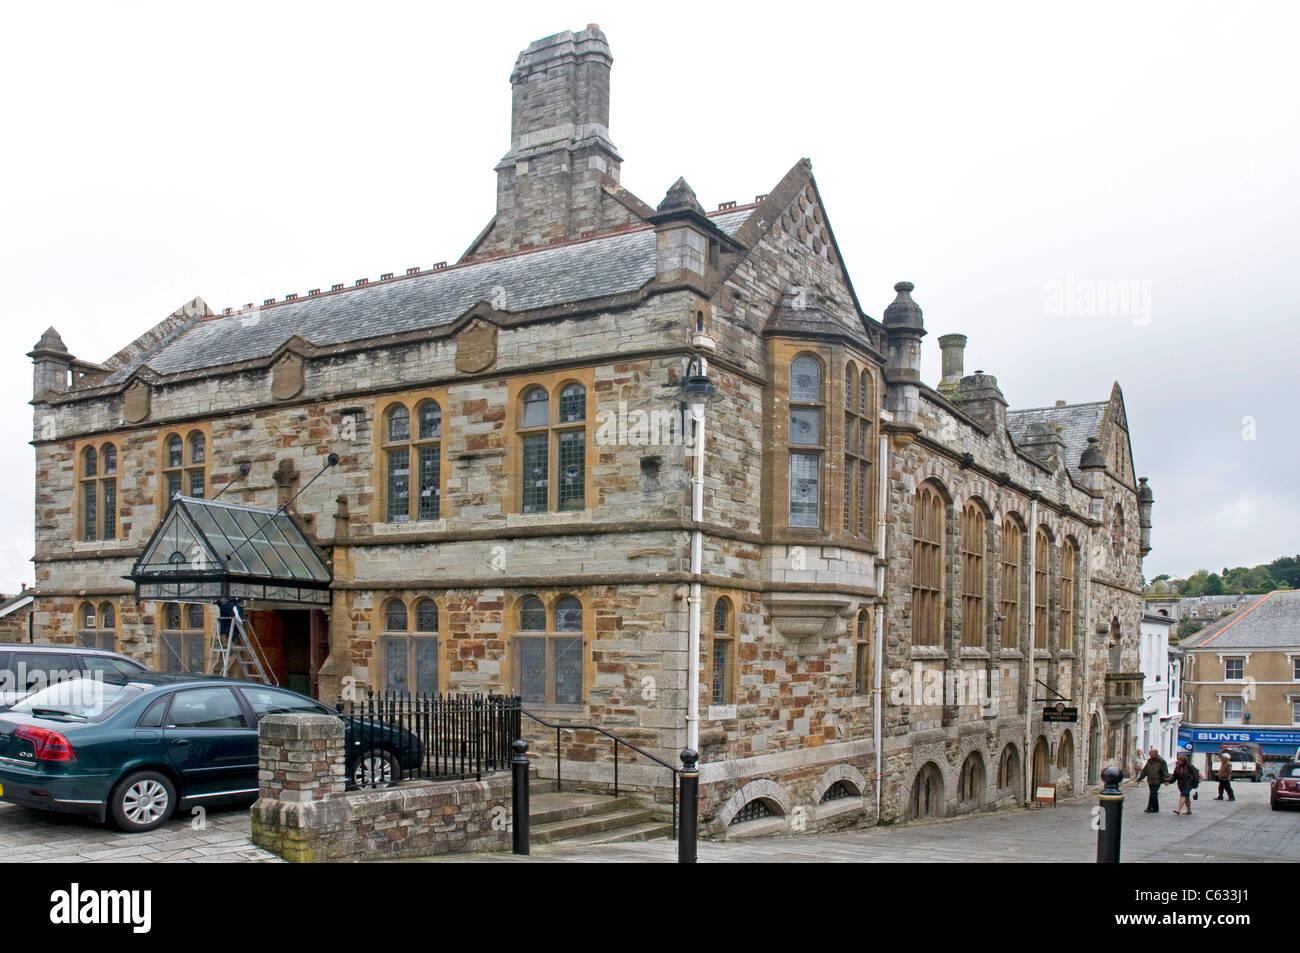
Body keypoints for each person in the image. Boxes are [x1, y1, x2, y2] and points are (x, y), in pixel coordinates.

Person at [1135, 747, 1170, 813]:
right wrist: (1140, 778)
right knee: (1154, 794)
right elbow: (1145, 770)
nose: (1150, 755)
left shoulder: (1161, 761)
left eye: (1151, 754)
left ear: (1155, 754)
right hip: (1150, 780)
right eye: (1150, 754)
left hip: (1157, 780)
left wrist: (1166, 780)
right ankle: (1155, 808)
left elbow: (1165, 771)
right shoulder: (1150, 761)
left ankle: (1149, 807)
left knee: (1152, 794)